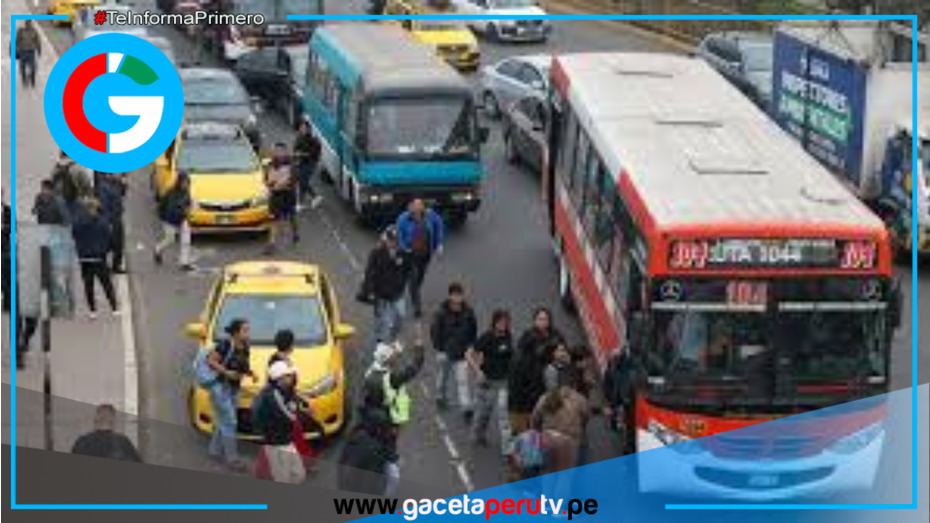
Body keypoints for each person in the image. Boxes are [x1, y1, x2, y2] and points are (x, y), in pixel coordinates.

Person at [362, 321, 427, 497]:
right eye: (392, 355)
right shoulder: (390, 378)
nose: (395, 357)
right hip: (386, 424)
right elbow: (413, 368)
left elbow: (390, 355)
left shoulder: (372, 371)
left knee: (383, 452)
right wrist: (419, 349)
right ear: (386, 359)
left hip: (377, 422)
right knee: (392, 472)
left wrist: (397, 347)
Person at [206, 318, 254, 471]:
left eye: (248, 329)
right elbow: (211, 361)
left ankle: (214, 451)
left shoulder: (246, 346)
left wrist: (251, 373)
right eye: (244, 330)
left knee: (223, 420)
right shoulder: (225, 344)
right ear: (235, 332)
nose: (248, 333)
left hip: (234, 389)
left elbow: (243, 365)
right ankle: (233, 460)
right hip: (221, 388)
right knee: (230, 422)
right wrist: (226, 372)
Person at [509, 308, 565, 436]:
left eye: (546, 319)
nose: (543, 322)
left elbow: (564, 352)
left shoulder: (556, 334)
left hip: (549, 380)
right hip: (531, 388)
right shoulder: (528, 337)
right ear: (534, 321)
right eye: (540, 319)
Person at [252, 362, 307, 484]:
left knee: (298, 474)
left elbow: (293, 403)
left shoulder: (283, 390)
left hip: (285, 440)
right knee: (283, 477)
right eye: (288, 375)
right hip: (277, 443)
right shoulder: (272, 395)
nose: (291, 377)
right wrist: (300, 412)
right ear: (279, 379)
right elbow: (289, 416)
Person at [467, 309, 514, 451]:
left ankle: (508, 448)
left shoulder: (509, 336)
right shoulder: (486, 337)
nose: (503, 325)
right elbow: (469, 354)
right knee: (483, 413)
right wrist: (477, 371)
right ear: (494, 322)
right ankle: (477, 436)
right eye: (500, 322)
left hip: (504, 382)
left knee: (503, 414)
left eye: (506, 322)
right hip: (487, 381)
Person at [430, 282, 478, 421]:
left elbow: (473, 330)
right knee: (443, 378)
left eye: (460, 295)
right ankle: (440, 396)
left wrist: (471, 346)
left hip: (462, 353)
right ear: (450, 296)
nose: (458, 298)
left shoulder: (469, 312)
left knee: (462, 381)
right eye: (455, 295)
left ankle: (466, 408)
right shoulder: (441, 312)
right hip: (445, 353)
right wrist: (439, 349)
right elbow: (435, 331)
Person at [358, 226, 410, 346]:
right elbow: (369, 272)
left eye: (395, 240)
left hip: (397, 293)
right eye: (391, 239)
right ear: (386, 239)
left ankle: (393, 336)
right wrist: (369, 290)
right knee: (380, 318)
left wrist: (402, 283)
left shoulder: (403, 253)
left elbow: (407, 270)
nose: (393, 242)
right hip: (380, 293)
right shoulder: (376, 253)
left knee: (400, 316)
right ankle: (379, 338)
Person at [396, 199, 445, 319]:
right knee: (413, 279)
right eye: (414, 207)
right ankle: (417, 306)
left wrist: (439, 244)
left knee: (420, 276)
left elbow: (439, 226)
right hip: (410, 254)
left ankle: (414, 290)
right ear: (410, 207)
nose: (417, 209)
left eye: (419, 206)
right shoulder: (403, 218)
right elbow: (399, 235)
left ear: (423, 207)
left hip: (425, 254)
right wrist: (404, 248)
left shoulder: (431, 215)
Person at [71, 199, 119, 319]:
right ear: (97, 209)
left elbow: (74, 235)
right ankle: (114, 308)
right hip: (99, 258)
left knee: (88, 285)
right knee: (107, 285)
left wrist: (80, 250)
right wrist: (108, 250)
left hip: (85, 259)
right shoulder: (103, 223)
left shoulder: (79, 222)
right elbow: (110, 239)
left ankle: (93, 311)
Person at [337, 405, 395, 495]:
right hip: (367, 485)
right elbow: (389, 457)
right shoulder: (374, 446)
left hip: (349, 483)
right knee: (393, 472)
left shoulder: (355, 436)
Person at [532, 385, 588, 473]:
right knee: (565, 476)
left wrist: (539, 432)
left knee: (547, 474)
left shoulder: (545, 397)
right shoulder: (578, 398)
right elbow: (585, 417)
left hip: (547, 438)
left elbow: (535, 419)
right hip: (568, 440)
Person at [71, 404, 142, 462]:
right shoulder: (123, 443)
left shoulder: (82, 442)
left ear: (96, 419)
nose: (104, 417)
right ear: (113, 420)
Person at [153, 172, 193, 271]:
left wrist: (188, 210)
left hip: (182, 219)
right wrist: (182, 210)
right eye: (184, 183)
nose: (186, 185)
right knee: (170, 239)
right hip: (170, 220)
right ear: (179, 182)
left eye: (187, 183)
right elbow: (169, 208)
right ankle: (158, 249)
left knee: (186, 241)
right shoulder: (172, 193)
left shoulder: (186, 192)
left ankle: (184, 263)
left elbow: (188, 203)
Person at [265, 142, 299, 253]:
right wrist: (271, 183)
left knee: (291, 216)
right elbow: (267, 180)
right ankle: (271, 244)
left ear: (285, 152)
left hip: (288, 195)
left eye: (280, 151)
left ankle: (295, 233)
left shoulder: (291, 165)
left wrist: (283, 183)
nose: (277, 153)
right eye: (276, 151)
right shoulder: (270, 164)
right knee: (274, 219)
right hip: (276, 196)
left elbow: (293, 180)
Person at [602, 348, 636, 455]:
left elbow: (609, 385)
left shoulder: (614, 368)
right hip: (623, 401)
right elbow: (610, 385)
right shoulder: (619, 369)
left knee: (628, 424)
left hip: (622, 400)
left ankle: (628, 446)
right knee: (628, 425)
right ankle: (628, 446)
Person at [96, 172, 128, 274]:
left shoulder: (116, 183)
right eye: (118, 173)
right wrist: (108, 221)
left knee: (119, 244)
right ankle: (103, 267)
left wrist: (124, 184)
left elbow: (122, 193)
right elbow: (104, 205)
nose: (120, 174)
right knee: (107, 244)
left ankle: (116, 266)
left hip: (117, 218)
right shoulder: (103, 187)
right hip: (110, 220)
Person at [292, 120, 323, 210]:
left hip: (310, 163)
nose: (302, 130)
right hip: (300, 162)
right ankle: (315, 197)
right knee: (301, 181)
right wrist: (295, 156)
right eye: (301, 128)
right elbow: (295, 148)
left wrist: (301, 154)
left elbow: (314, 153)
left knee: (302, 181)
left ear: (309, 129)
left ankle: (301, 203)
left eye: (305, 128)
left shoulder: (312, 139)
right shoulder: (299, 137)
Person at [51, 151, 93, 217]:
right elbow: (86, 183)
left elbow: (52, 181)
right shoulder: (78, 167)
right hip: (75, 198)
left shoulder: (57, 167)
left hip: (60, 199)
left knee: (65, 222)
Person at [14, 21, 41, 88]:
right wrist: (16, 50)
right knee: (22, 67)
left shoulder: (34, 32)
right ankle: (24, 80)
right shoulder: (21, 31)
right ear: (25, 24)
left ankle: (32, 79)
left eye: (30, 24)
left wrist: (39, 50)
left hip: (31, 52)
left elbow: (38, 41)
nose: (29, 25)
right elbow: (16, 41)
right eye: (27, 24)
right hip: (22, 51)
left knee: (33, 68)